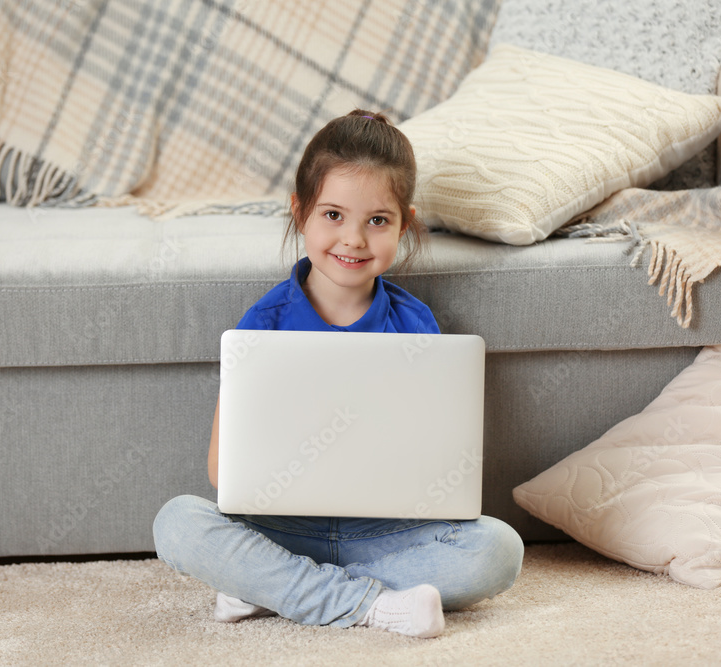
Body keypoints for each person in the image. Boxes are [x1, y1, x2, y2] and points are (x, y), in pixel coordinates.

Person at [153, 110, 523, 639]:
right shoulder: (264, 323)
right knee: (177, 523)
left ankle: (273, 588)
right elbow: (220, 469)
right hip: (281, 530)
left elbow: (440, 465)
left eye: (377, 220)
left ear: (404, 224)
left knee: (499, 551)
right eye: (332, 215)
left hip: (385, 533)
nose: (353, 238)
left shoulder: (415, 325)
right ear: (299, 212)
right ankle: (372, 605)